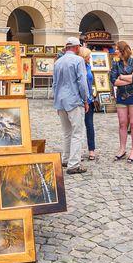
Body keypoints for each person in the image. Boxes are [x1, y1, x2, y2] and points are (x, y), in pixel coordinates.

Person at [52, 37, 90, 175]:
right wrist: (86, 99)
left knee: (67, 132)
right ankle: (73, 164)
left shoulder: (58, 62)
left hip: (61, 101)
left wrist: (56, 102)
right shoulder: (78, 60)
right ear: (76, 47)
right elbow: (82, 82)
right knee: (77, 133)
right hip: (74, 100)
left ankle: (66, 158)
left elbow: (54, 84)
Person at [110, 40, 133, 164]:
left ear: (123, 50)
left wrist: (123, 77)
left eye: (117, 49)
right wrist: (130, 78)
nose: (115, 51)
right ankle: (122, 149)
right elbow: (114, 81)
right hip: (121, 96)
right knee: (122, 123)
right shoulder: (116, 64)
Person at [78, 47, 96, 161]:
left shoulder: (89, 66)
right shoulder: (78, 67)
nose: (90, 57)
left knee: (89, 125)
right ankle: (77, 152)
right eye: (88, 56)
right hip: (79, 101)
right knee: (78, 127)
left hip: (89, 99)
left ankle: (91, 150)